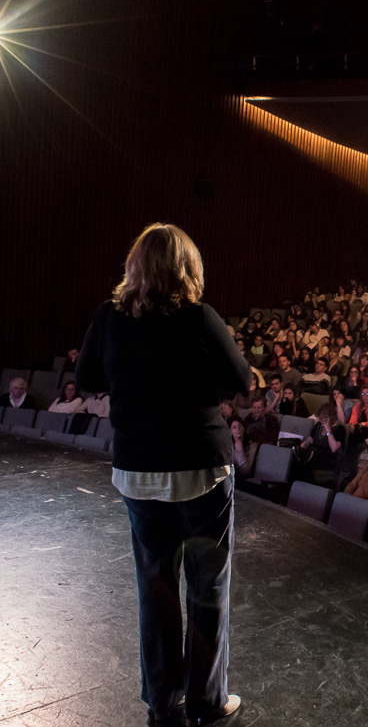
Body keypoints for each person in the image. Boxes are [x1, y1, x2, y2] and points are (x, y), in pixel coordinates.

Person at [75, 223, 247, 725]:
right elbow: (239, 380)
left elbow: (86, 378)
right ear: (186, 268)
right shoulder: (198, 317)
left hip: (138, 471)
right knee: (207, 589)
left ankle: (162, 699)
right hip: (200, 471)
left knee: (155, 585)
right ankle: (206, 704)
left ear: (136, 266)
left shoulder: (109, 318)